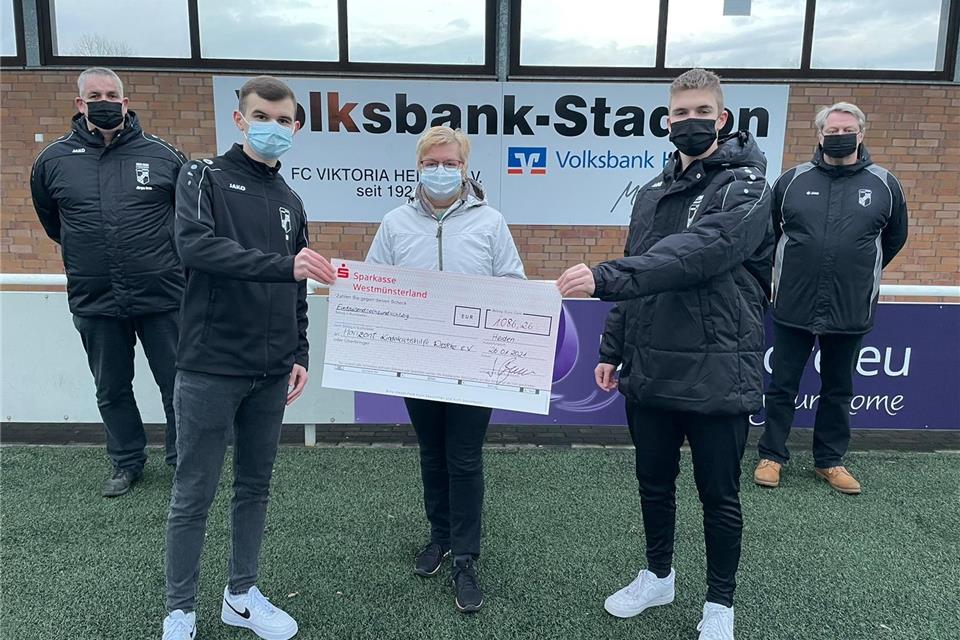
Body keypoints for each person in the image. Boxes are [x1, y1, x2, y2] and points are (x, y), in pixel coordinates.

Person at [557, 68, 774, 640]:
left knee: (719, 496)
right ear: (667, 119)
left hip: (718, 368)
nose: (689, 121)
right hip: (649, 365)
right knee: (653, 484)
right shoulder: (652, 192)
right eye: (680, 112)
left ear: (722, 118)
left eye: (701, 111)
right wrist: (612, 346)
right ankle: (658, 576)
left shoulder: (749, 187)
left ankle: (720, 604)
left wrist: (606, 276)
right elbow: (644, 268)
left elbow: (702, 252)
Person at [161, 76, 335, 640]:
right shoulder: (203, 175)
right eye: (262, 117)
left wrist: (299, 350)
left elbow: (298, 282)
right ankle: (180, 610)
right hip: (210, 366)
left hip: (271, 370)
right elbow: (194, 247)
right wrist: (283, 266)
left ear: (296, 127)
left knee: (254, 488)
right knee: (194, 492)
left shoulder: (292, 200)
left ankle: (240, 596)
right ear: (239, 120)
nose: (273, 128)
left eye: (284, 121)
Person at [366, 125, 525, 613]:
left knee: (465, 459)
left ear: (465, 168)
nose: (441, 170)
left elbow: (513, 283)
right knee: (432, 455)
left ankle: (466, 557)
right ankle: (440, 537)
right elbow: (373, 283)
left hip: (474, 366)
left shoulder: (491, 222)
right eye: (432, 163)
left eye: (450, 163)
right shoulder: (394, 223)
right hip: (418, 364)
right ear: (419, 167)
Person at [30, 67, 185, 498]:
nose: (105, 101)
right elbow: (54, 223)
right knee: (112, 388)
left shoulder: (164, 156)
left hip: (163, 296)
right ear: (80, 103)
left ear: (125, 101)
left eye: (112, 94)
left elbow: (187, 217)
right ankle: (126, 462)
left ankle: (184, 462)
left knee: (178, 385)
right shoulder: (52, 161)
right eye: (95, 95)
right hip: (95, 297)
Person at [754, 102, 908, 495]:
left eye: (847, 130)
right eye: (832, 131)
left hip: (850, 307)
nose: (839, 136)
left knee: (838, 390)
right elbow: (770, 235)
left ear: (861, 133)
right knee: (782, 386)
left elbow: (893, 239)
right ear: (820, 135)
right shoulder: (791, 181)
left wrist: (856, 271)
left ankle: (829, 461)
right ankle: (771, 456)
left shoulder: (885, 184)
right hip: (793, 304)